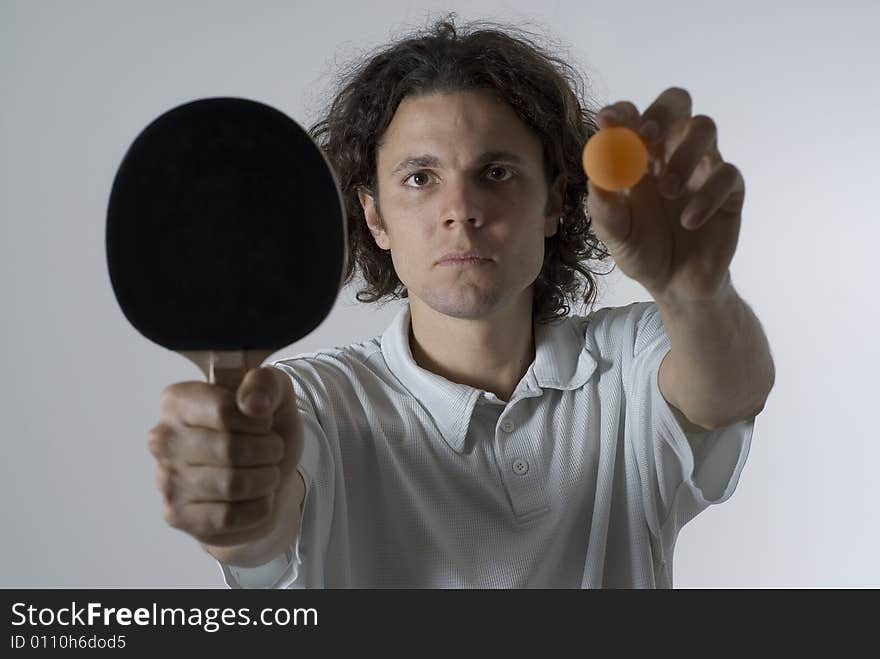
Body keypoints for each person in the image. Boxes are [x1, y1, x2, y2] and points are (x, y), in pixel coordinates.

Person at [147, 14, 774, 588]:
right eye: (420, 178)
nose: (461, 211)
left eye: (495, 172)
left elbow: (728, 391)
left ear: (556, 202)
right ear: (374, 217)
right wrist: (236, 506)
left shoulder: (629, 360)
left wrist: (694, 290)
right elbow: (263, 523)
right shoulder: (314, 400)